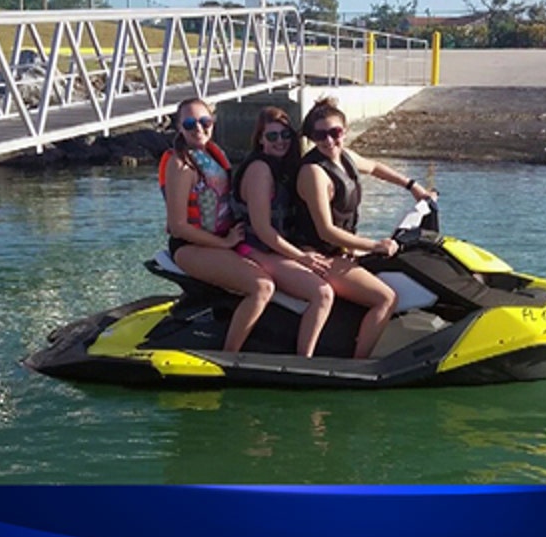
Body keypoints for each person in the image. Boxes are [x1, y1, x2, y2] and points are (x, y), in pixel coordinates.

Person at [292, 98, 438, 359]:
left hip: (344, 249)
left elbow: (376, 168)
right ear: (312, 138)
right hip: (321, 255)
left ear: (344, 131)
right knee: (386, 298)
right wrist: (375, 246)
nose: (329, 140)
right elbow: (325, 230)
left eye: (334, 132)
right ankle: (359, 363)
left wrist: (413, 187)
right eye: (320, 135)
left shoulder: (345, 157)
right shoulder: (314, 172)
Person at [159, 97, 274, 353]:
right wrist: (225, 243)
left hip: (224, 240)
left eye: (204, 121)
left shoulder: (210, 155)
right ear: (178, 127)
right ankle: (230, 355)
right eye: (189, 123)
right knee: (261, 287)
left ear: (213, 121)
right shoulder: (181, 165)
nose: (198, 128)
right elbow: (178, 226)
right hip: (190, 247)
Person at [231, 106, 336, 357]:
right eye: (272, 136)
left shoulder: (285, 168)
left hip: (276, 248)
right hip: (255, 249)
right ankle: (303, 362)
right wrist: (302, 258)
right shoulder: (260, 170)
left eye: (285, 135)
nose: (281, 141)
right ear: (260, 140)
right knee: (321, 293)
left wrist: (413, 187)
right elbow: (262, 229)